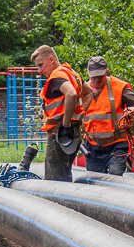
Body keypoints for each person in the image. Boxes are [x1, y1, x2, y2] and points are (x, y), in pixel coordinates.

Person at [31, 45, 90, 181]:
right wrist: (79, 115)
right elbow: (89, 93)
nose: (40, 71)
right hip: (72, 134)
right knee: (64, 174)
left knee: (55, 181)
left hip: (60, 134)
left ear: (51, 59)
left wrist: (66, 121)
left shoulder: (56, 76)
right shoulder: (72, 74)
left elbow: (71, 94)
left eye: (41, 65)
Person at [81, 55, 134, 176]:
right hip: (92, 147)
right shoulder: (83, 90)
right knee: (94, 181)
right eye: (93, 77)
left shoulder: (119, 87)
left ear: (106, 71)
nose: (96, 81)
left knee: (115, 175)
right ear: (88, 73)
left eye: (99, 77)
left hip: (116, 145)